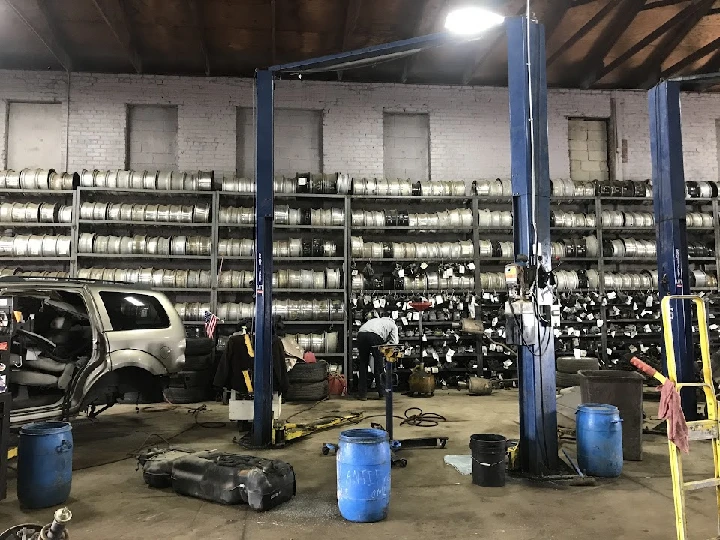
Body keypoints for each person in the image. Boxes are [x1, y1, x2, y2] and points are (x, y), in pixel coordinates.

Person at [356, 317, 399, 400]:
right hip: (374, 336)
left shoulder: (375, 320)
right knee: (378, 364)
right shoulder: (393, 325)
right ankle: (382, 392)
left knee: (363, 363)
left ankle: (362, 394)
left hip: (361, 334)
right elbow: (395, 343)